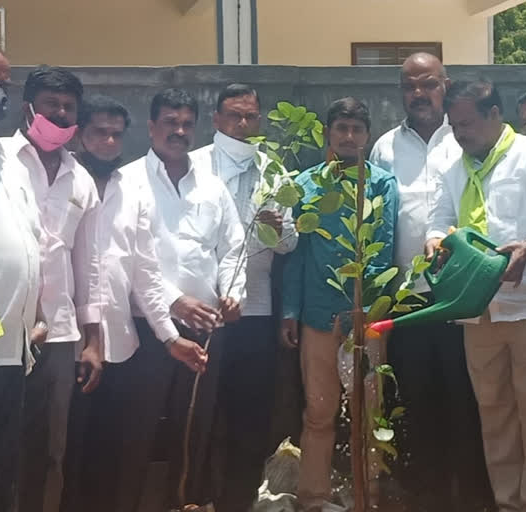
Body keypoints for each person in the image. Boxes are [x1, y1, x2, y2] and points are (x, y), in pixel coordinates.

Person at [426, 80, 526, 511]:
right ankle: (509, 504)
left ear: (494, 115)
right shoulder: (453, 167)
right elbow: (438, 220)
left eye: (467, 123)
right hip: (477, 312)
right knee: (495, 420)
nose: (460, 133)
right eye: (454, 125)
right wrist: (434, 242)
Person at [59, 95, 208, 512]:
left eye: (115, 135)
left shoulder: (132, 190)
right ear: (80, 135)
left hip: (123, 348)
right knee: (68, 456)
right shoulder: (62, 184)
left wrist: (168, 337)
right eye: (98, 133)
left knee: (120, 456)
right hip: (66, 346)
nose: (108, 142)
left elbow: (145, 272)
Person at [369, 52, 489, 511]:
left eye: (428, 84)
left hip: (461, 299)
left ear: (446, 84)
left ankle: (473, 498)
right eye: (409, 86)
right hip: (407, 302)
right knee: (416, 404)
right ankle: (427, 496)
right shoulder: (384, 147)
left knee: (467, 402)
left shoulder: (465, 137)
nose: (418, 94)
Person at [118, 88, 246, 509]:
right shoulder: (128, 180)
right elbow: (132, 256)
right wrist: (174, 301)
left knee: (194, 426)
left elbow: (232, 245)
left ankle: (185, 502)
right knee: (138, 424)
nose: (179, 131)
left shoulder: (212, 186)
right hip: (147, 327)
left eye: (187, 124)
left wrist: (233, 292)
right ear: (151, 127)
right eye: (170, 122)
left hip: (207, 326)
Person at [281, 97, 398, 512]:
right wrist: (290, 312)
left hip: (365, 321)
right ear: (329, 133)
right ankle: (314, 498)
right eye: (341, 128)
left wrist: (364, 311)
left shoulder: (381, 184)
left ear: (367, 136)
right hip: (315, 318)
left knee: (369, 417)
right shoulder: (307, 185)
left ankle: (368, 496)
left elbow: (382, 252)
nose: (349, 136)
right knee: (318, 413)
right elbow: (296, 255)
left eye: (357, 129)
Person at [190, 83, 297, 511]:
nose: (243, 124)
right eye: (234, 115)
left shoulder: (273, 172)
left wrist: (275, 227)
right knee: (200, 411)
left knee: (249, 411)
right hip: (202, 310)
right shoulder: (195, 166)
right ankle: (195, 496)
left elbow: (290, 243)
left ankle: (238, 498)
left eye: (251, 117)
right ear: (216, 119)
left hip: (254, 310)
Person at [0, 66, 100, 512]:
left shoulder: (81, 180)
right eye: (50, 106)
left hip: (59, 337)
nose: (59, 114)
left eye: (68, 108)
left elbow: (89, 264)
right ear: (28, 109)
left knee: (51, 448)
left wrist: (92, 339)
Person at [0, 47, 44, 512]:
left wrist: (32, 319)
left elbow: (26, 244)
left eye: (3, 84)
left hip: (12, 351)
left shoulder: (10, 160)